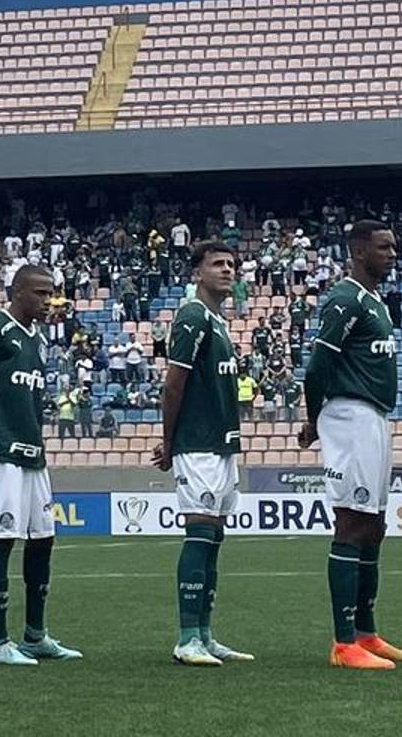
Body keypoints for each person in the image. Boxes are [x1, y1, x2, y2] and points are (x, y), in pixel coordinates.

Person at [301, 219, 402, 670]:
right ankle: (342, 641)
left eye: (395, 245)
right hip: (349, 415)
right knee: (352, 522)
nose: (393, 253)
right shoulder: (344, 299)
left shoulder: (377, 304)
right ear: (359, 251)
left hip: (374, 417)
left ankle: (366, 634)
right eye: (384, 246)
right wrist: (313, 420)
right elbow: (316, 367)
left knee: (374, 526)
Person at [0, 264, 82, 666]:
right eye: (42, 294)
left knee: (43, 539)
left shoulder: (39, 340)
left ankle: (35, 635)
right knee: (1, 540)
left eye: (51, 294)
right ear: (19, 292)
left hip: (32, 453)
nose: (48, 302)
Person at [153, 241, 252, 667]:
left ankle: (206, 635)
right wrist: (170, 441)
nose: (227, 270)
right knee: (199, 532)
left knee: (213, 537)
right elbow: (173, 383)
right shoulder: (193, 315)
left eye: (231, 264)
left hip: (221, 442)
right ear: (198, 272)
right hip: (198, 443)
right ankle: (186, 637)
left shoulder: (217, 321)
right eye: (217, 264)